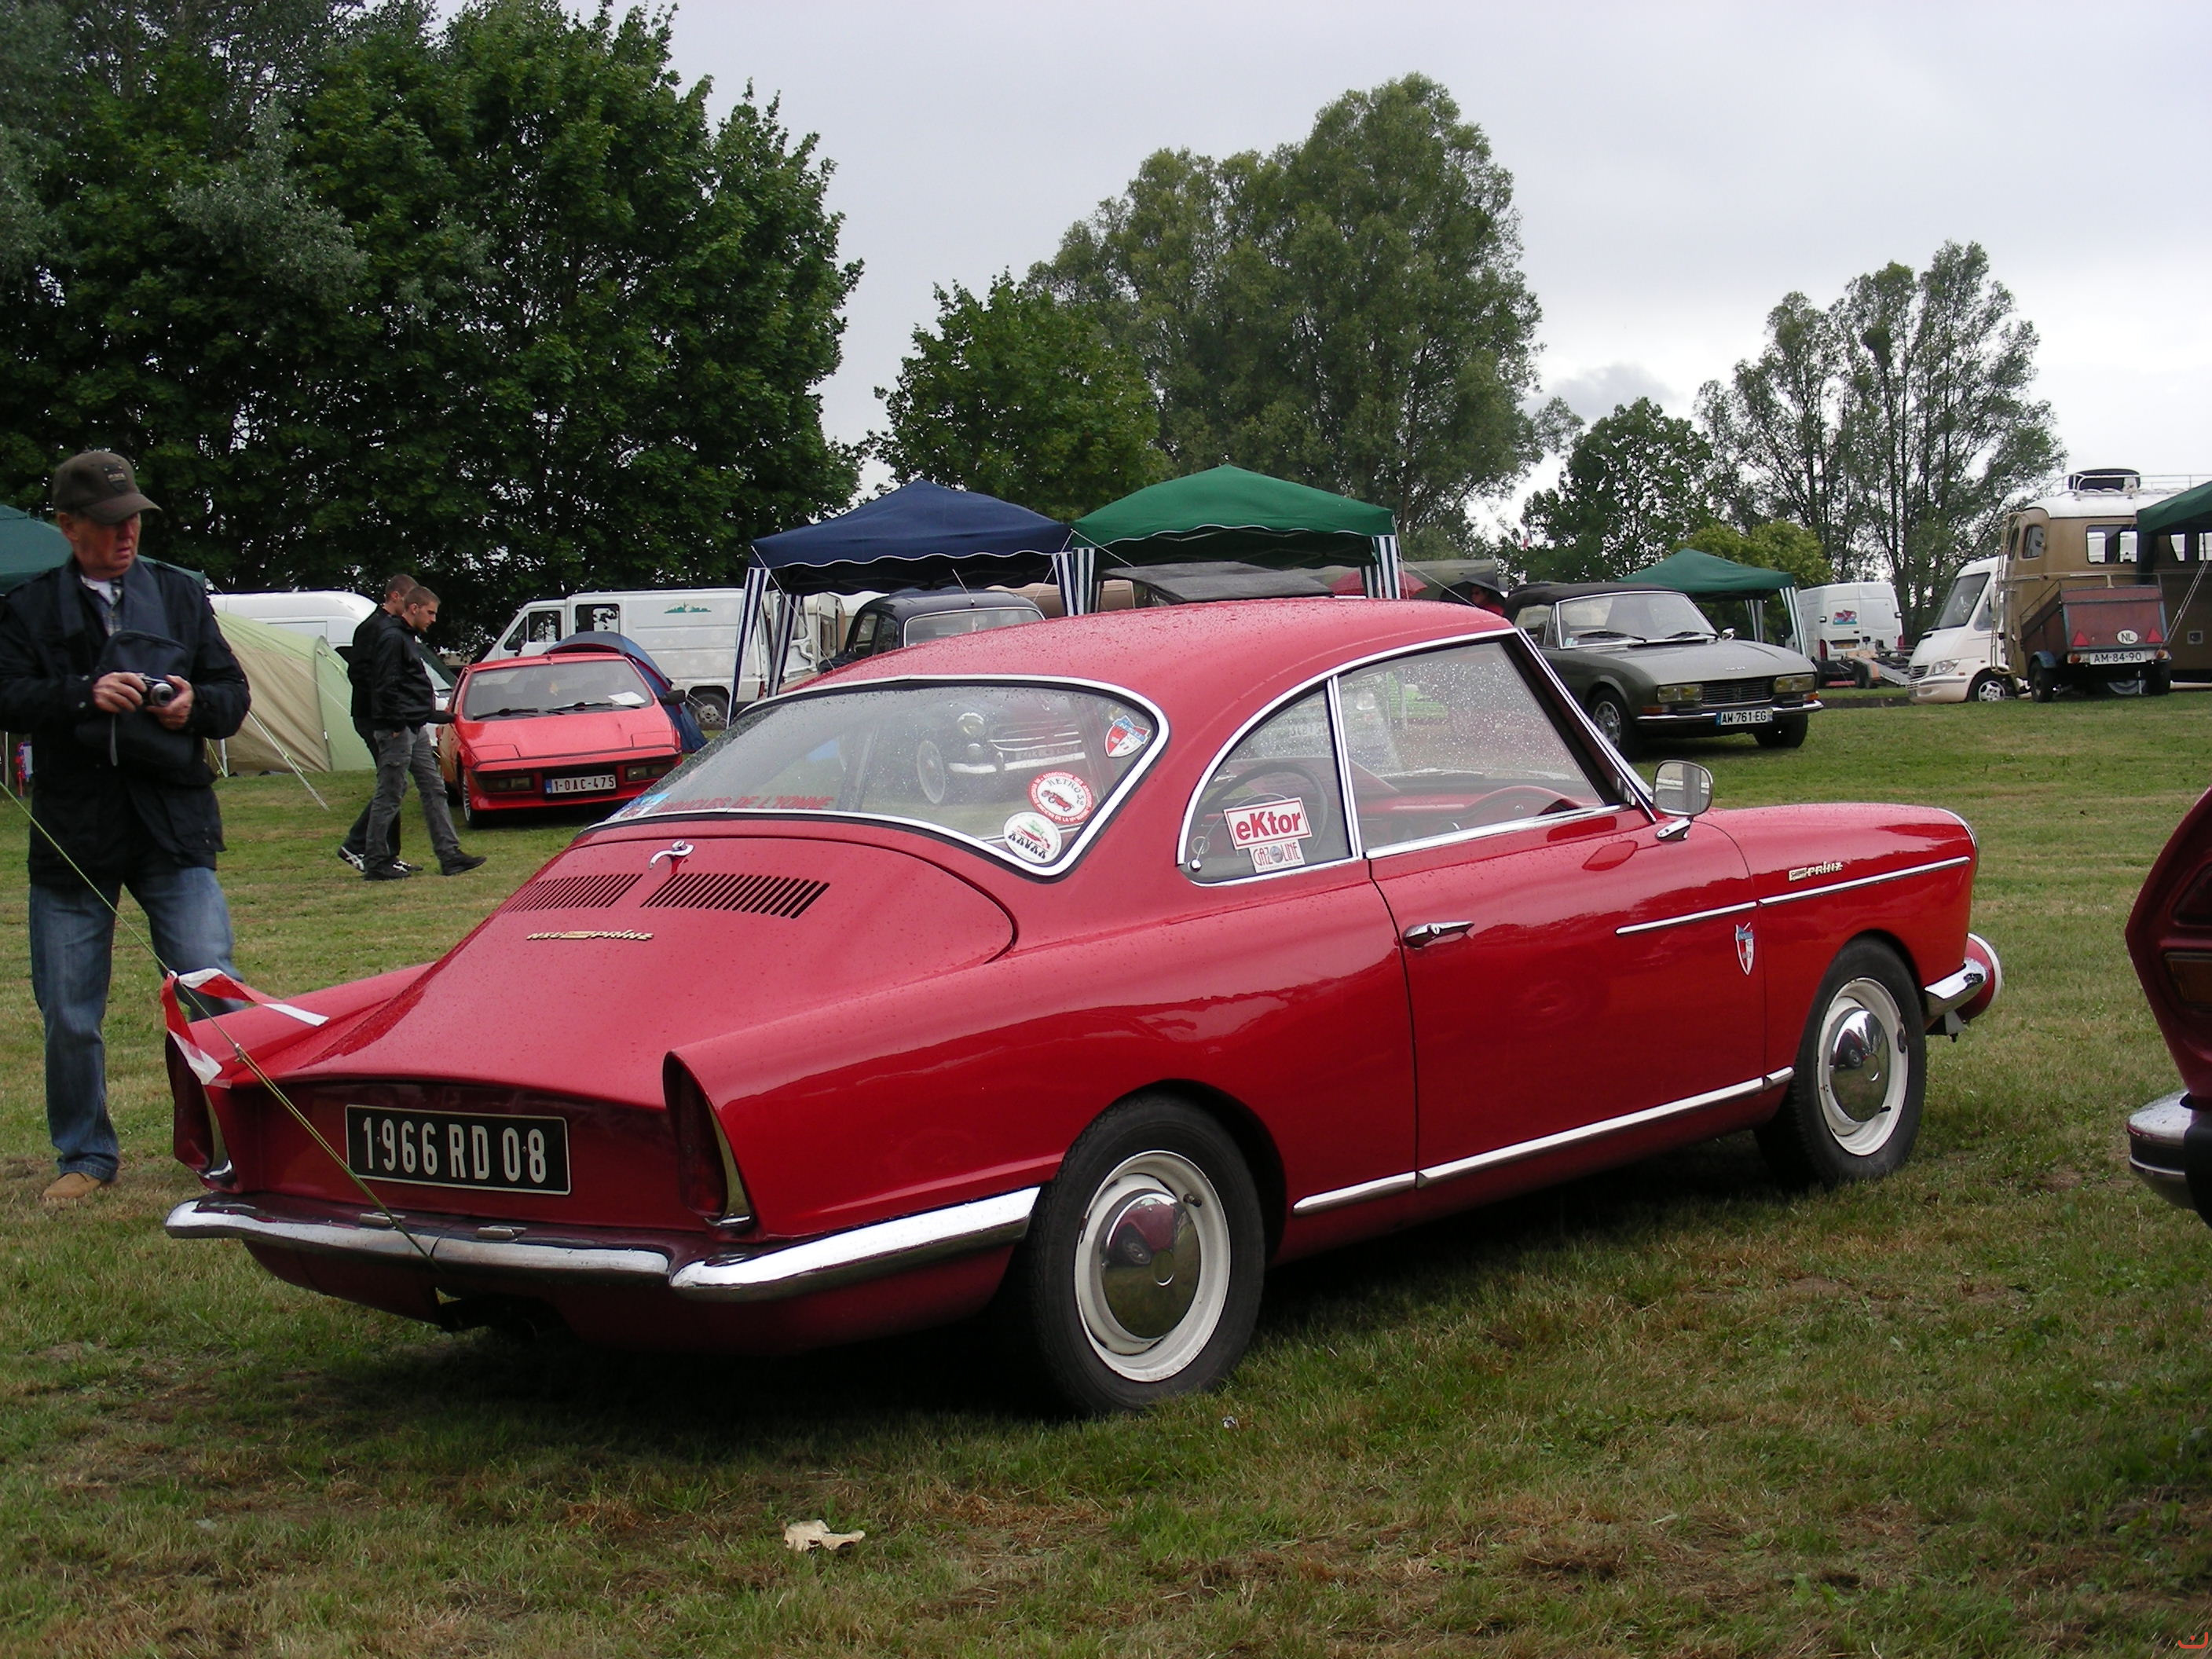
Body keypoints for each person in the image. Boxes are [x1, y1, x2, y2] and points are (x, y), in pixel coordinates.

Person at [0, 451, 251, 1205]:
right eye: (109, 523)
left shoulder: (178, 593)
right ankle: (85, 1153)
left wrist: (192, 705)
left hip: (173, 825)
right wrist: (83, 693)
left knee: (211, 986)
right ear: (68, 526)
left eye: (134, 519)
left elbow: (231, 695)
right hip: (74, 833)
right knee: (70, 1010)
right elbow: (8, 695)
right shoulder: (29, 607)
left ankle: (240, 1143)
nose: (126, 533)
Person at [361, 585, 484, 881]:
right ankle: (376, 860)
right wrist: (395, 724)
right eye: (430, 613)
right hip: (398, 728)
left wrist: (430, 715)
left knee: (434, 788)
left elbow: (407, 686)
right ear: (413, 608)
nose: (433, 619)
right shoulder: (392, 637)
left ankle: (449, 855)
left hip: (412, 726)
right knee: (391, 792)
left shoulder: (404, 637)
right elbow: (385, 685)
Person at [337, 572, 418, 873]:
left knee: (395, 784)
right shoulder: (372, 628)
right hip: (373, 717)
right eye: (409, 599)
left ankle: (389, 854)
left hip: (385, 715)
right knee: (391, 785)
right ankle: (358, 845)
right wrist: (385, 709)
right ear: (395, 596)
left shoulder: (394, 628)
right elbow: (359, 673)